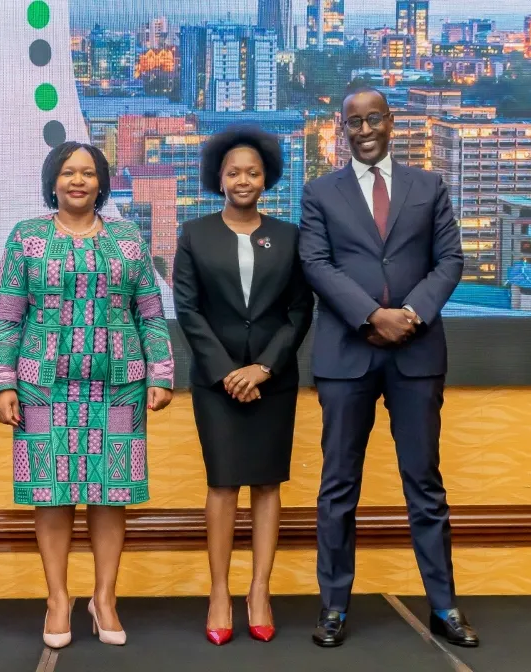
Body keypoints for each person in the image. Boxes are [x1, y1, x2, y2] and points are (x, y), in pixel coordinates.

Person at [298, 87, 478, 648]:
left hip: (417, 353)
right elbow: (315, 263)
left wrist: (412, 314)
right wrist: (372, 315)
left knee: (424, 482)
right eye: (354, 121)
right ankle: (333, 607)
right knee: (338, 487)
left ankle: (443, 607)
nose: (365, 128)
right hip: (346, 354)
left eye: (374, 118)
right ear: (342, 128)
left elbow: (451, 259)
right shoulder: (319, 192)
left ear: (391, 122)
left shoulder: (429, 186)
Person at [0, 141, 174, 648]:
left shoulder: (128, 238)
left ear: (101, 183)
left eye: (88, 173)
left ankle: (104, 598)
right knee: (50, 495)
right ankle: (57, 600)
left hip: (118, 385)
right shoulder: (26, 238)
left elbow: (151, 313)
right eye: (68, 172)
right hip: (41, 386)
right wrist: (2, 383)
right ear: (53, 181)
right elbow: (7, 316)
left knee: (111, 494)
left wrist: (160, 373)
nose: (77, 181)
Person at [173, 126, 313, 646]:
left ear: (267, 177)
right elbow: (187, 310)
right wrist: (229, 371)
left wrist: (264, 369)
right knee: (223, 484)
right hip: (216, 381)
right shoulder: (195, 233)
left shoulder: (291, 236)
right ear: (218, 177)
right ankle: (218, 592)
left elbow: (300, 310)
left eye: (253, 172)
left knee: (268, 483)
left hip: (273, 382)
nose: (243, 180)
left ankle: (259, 590)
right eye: (234, 172)